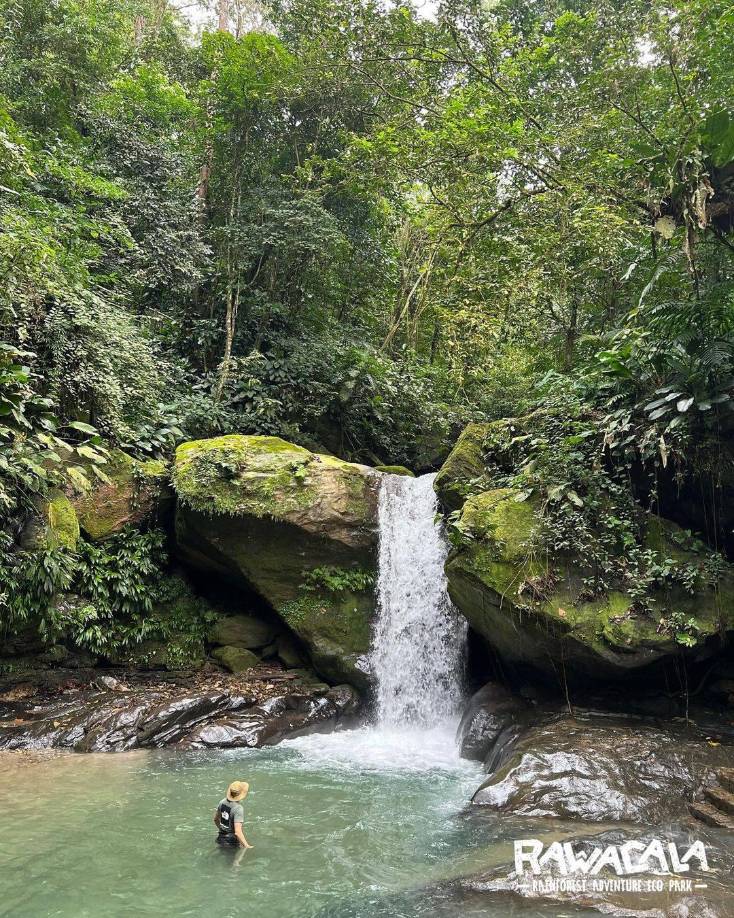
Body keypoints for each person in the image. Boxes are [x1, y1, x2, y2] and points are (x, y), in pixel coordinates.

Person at [214, 781, 254, 850]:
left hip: (220, 838)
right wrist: (247, 846)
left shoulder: (222, 802)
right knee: (236, 860)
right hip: (231, 842)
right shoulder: (238, 808)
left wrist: (222, 830)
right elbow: (238, 832)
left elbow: (215, 819)